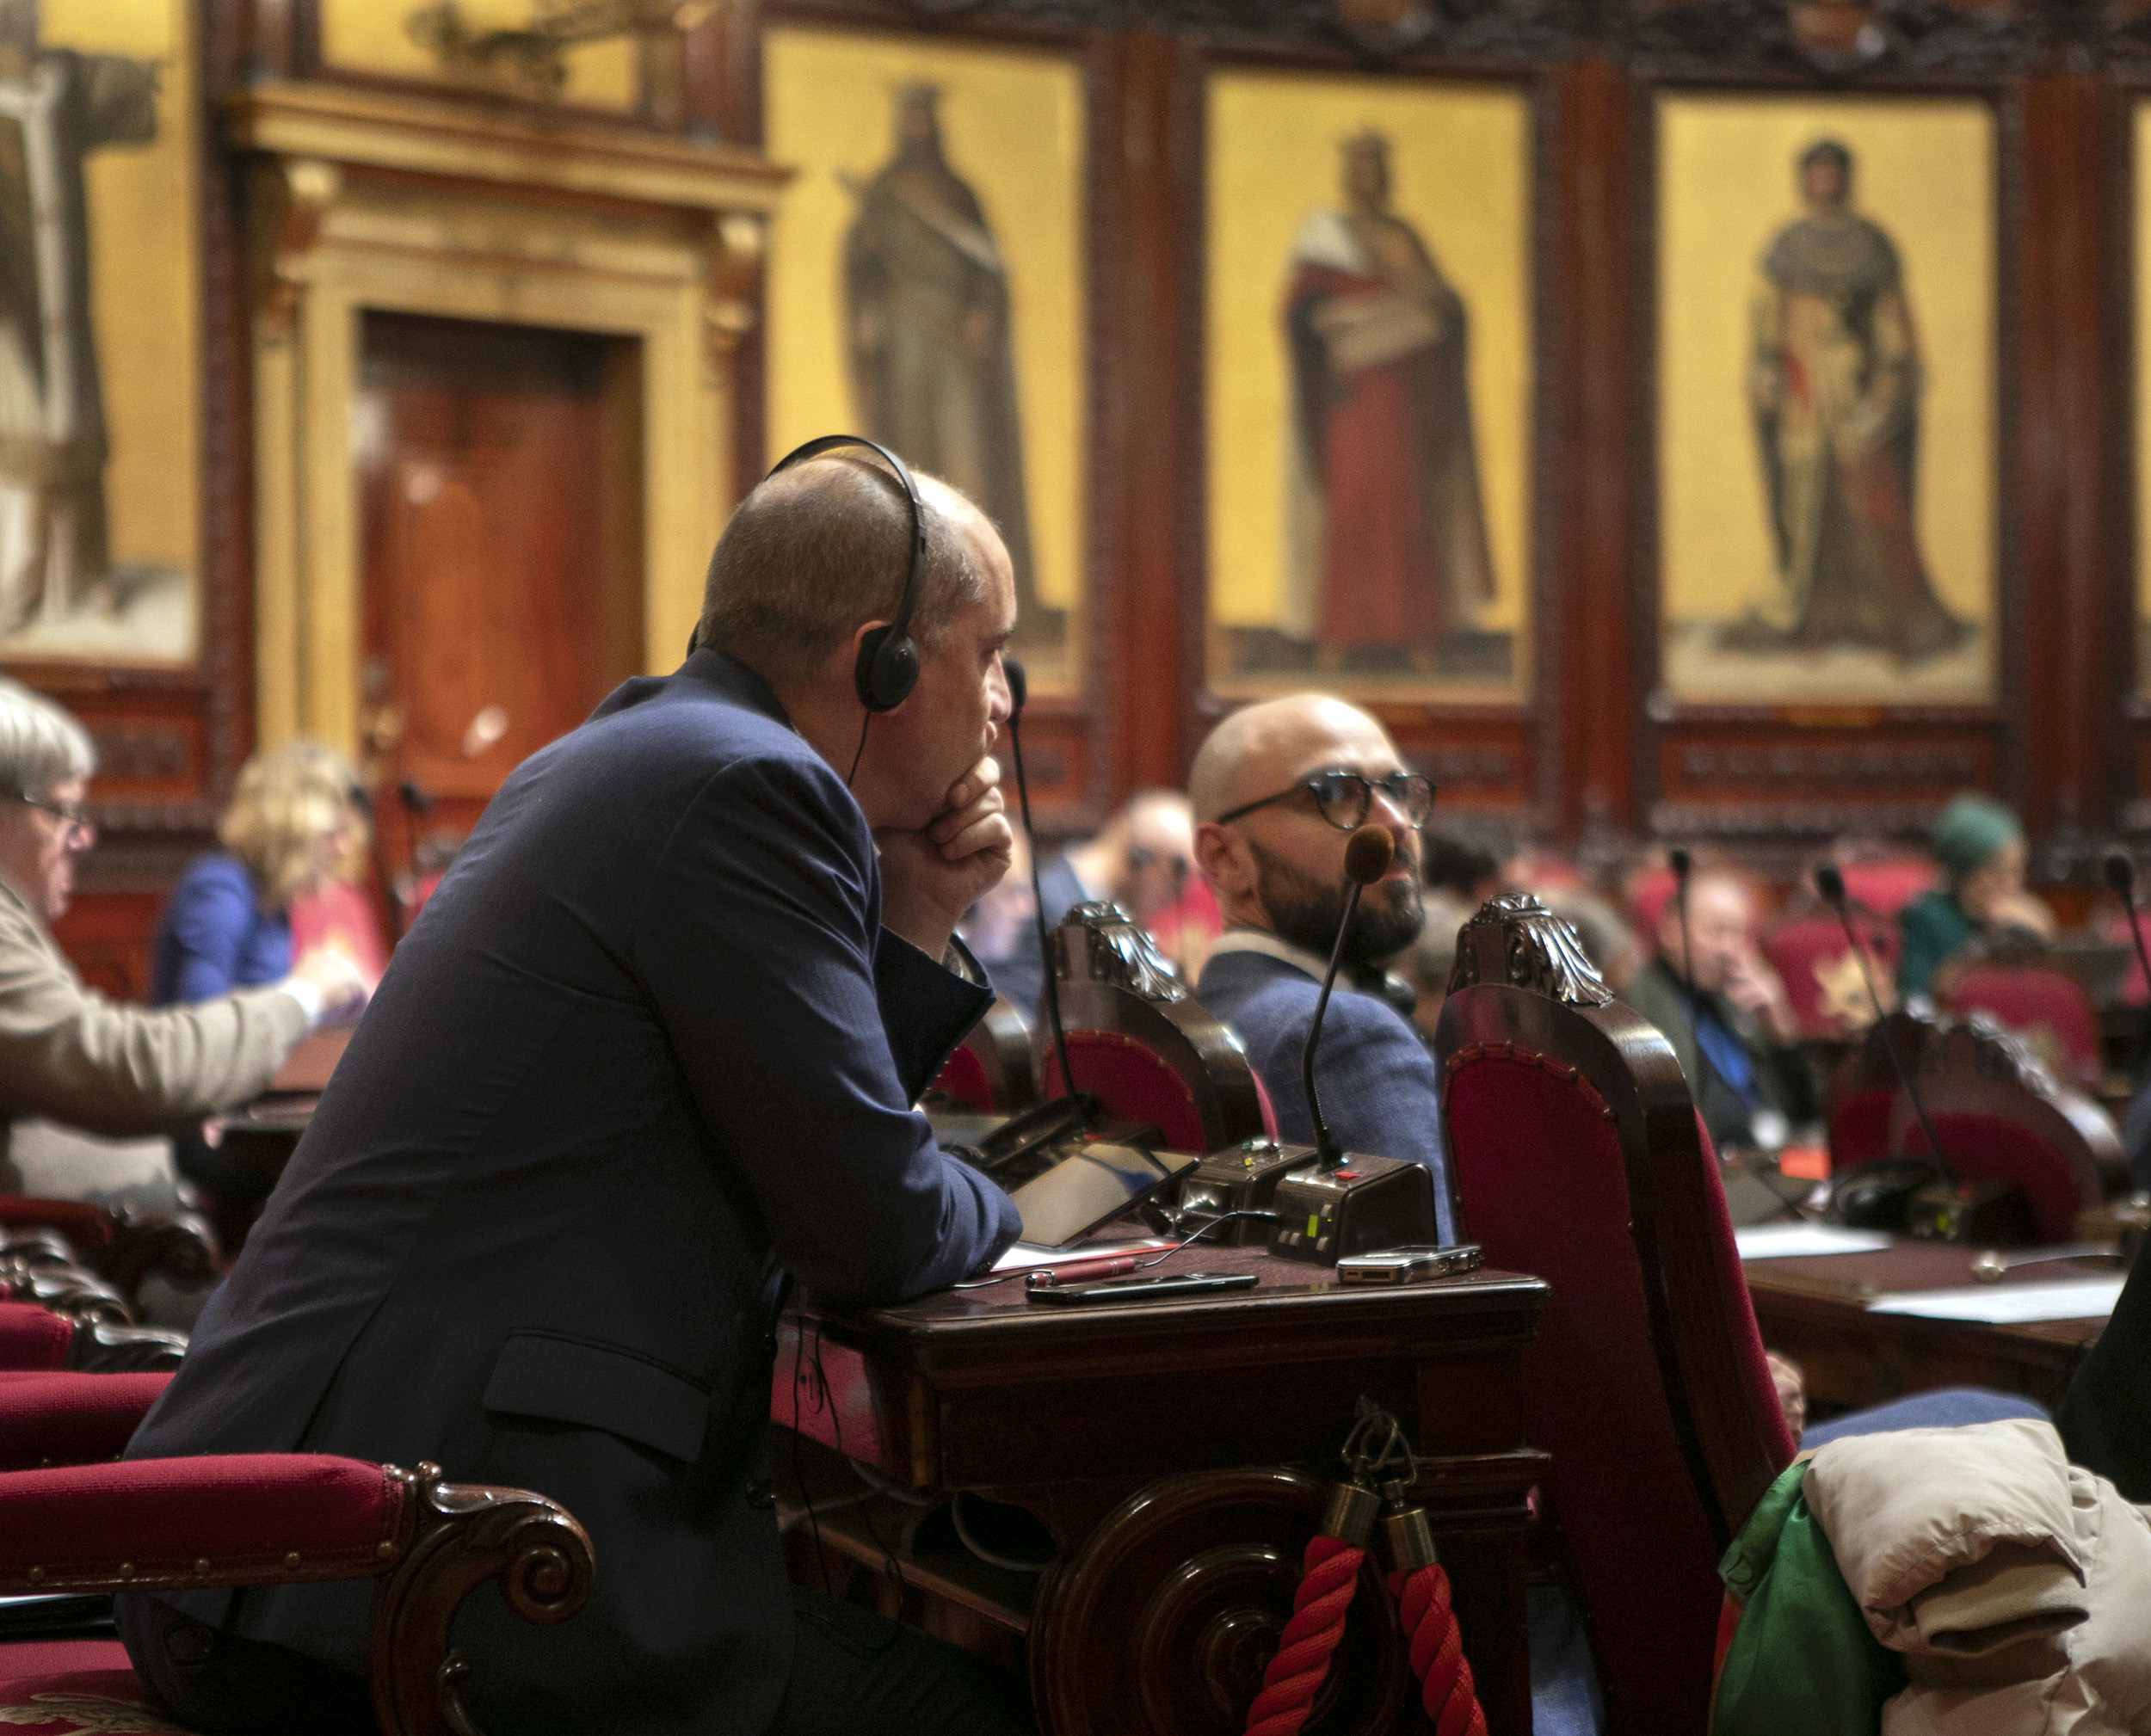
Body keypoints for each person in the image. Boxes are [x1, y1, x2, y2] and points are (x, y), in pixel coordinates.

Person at [120, 448, 1031, 1736]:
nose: (1004, 704)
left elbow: (810, 1131)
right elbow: (869, 1224)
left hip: (279, 1549)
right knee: (992, 1706)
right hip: (402, 1579)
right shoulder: (750, 788)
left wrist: (926, 906)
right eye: (989, 652)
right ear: (883, 662)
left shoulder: (629, 750)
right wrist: (1015, 1204)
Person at [0, 679, 361, 1192]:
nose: (84, 837)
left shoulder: (278, 906)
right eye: (64, 811)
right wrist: (305, 995)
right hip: (89, 1238)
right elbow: (145, 1066)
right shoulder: (220, 888)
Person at [1188, 693, 1455, 1244]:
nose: (1395, 824)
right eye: (1335, 794)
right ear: (1225, 858)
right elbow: (1441, 1291)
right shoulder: (1342, 1032)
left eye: (1399, 791)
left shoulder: (1211, 1006)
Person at [1732, 139, 1969, 665]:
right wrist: (1765, 368)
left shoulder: (1872, 243)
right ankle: (1808, 614)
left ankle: (1880, 617)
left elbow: (1894, 329)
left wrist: (1886, 390)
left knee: (1871, 504)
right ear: (1803, 179)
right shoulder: (1786, 245)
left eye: (1831, 172)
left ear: (1846, 177)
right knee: (1803, 502)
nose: (1824, 182)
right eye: (1814, 173)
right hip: (1804, 400)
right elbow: (1766, 322)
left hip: (1859, 398)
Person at [843, 83, 1055, 650]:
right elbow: (862, 272)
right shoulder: (883, 194)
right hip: (907, 343)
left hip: (954, 349)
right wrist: (866, 265)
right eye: (907, 117)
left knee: (966, 465)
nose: (916, 127)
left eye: (923, 118)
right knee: (908, 468)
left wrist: (983, 314)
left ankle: (972, 593)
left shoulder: (959, 196)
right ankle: (909, 593)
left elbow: (989, 269)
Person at [1284, 132, 1495, 669]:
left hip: (1402, 398)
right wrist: (1321, 319)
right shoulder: (1323, 237)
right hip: (1348, 399)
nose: (1367, 179)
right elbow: (1299, 313)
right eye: (1358, 168)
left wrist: (1416, 282)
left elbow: (1447, 309)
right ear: (1346, 175)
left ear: (1386, 175)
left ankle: (1415, 635)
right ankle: (1341, 636)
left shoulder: (1404, 237)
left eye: (1375, 169)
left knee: (1405, 510)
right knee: (1352, 512)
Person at [151, 742, 367, 1005]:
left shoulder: (273, 903)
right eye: (333, 832)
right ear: (289, 830)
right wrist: (306, 994)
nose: (344, 848)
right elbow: (203, 1019)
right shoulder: (221, 890)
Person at [1621, 870, 1816, 1153]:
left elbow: (1807, 1112)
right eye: (1717, 931)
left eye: (1740, 934)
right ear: (1669, 931)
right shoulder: (1636, 1002)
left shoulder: (1740, 1001)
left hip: (1773, 1162)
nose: (1729, 949)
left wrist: (1782, 1033)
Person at [972, 789, 1199, 1014]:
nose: (1178, 896)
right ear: (1137, 858)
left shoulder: (1102, 909)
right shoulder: (1051, 907)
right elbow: (1020, 1011)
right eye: (1177, 877)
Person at [1896, 792, 2055, 1002]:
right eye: (1997, 872)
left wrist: (2038, 935)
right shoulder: (1925, 919)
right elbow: (1913, 1001)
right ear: (1964, 871)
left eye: (2017, 870)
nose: (2012, 884)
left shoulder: (2025, 918)